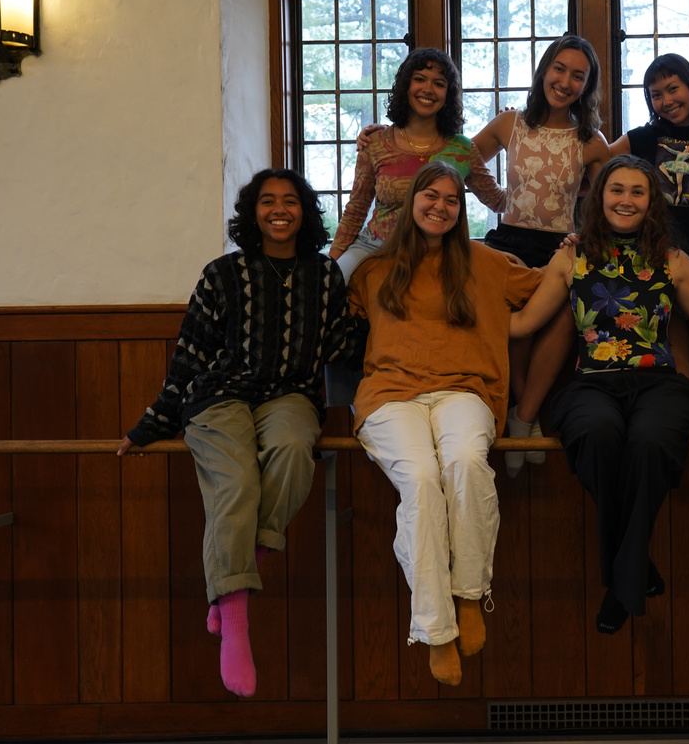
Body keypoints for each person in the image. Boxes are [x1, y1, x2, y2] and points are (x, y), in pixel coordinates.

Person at [117, 169, 358, 698]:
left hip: (291, 395)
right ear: (252, 212)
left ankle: (234, 584)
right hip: (217, 397)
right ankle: (236, 618)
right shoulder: (222, 274)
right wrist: (154, 421)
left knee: (295, 451)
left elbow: (345, 345)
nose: (279, 209)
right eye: (267, 201)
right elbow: (190, 355)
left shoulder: (324, 275)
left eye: (290, 201)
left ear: (304, 212)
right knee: (236, 481)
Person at [347, 160, 542, 687]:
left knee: (464, 463)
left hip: (465, 390)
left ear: (461, 210)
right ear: (411, 202)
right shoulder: (373, 270)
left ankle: (469, 595)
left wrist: (570, 256)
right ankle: (436, 630)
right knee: (420, 482)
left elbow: (546, 291)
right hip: (390, 398)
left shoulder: (488, 262)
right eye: (430, 196)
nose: (440, 206)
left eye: (451, 200)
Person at [509, 155, 689, 634]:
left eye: (637, 192)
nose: (626, 200)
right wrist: (457, 317)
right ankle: (633, 574)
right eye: (617, 190)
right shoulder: (571, 255)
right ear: (599, 196)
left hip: (660, 383)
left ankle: (619, 583)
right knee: (598, 433)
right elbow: (523, 323)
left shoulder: (672, 260)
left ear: (652, 203)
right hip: (592, 383)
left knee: (649, 442)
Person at [471, 34, 612, 474]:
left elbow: (609, 200)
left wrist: (583, 234)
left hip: (560, 246)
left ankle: (525, 416)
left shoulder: (590, 139)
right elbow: (459, 160)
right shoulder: (508, 123)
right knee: (513, 324)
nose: (566, 81)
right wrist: (498, 198)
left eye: (578, 76)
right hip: (508, 242)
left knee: (562, 320)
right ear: (544, 69)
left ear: (587, 87)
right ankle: (520, 416)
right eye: (560, 69)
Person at [608, 53, 689, 381]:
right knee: (672, 322)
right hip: (653, 252)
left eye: (672, 88)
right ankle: (680, 393)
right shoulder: (643, 137)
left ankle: (687, 392)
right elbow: (600, 167)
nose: (666, 100)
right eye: (656, 95)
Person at [331, 46, 505, 280]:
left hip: (438, 253)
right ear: (406, 86)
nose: (428, 89)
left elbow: (498, 201)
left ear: (448, 94)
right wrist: (331, 264)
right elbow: (356, 210)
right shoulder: (375, 143)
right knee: (330, 286)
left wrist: (516, 139)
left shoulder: (462, 149)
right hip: (375, 246)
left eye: (439, 83)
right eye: (419, 79)